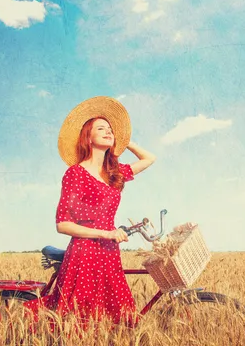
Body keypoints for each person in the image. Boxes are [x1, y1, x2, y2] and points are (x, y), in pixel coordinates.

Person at [23, 96, 156, 329]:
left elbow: (149, 159)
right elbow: (62, 224)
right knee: (79, 320)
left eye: (110, 129)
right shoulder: (75, 173)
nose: (108, 132)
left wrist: (125, 141)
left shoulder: (114, 172)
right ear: (88, 137)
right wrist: (106, 234)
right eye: (101, 129)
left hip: (109, 253)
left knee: (114, 320)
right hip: (85, 253)